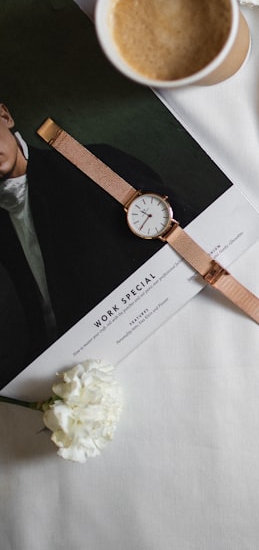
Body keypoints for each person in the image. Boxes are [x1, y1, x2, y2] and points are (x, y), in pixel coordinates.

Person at [0, 102, 183, 385]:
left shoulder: (91, 163)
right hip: (67, 376)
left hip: (156, 345)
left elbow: (181, 239)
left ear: (4, 115)